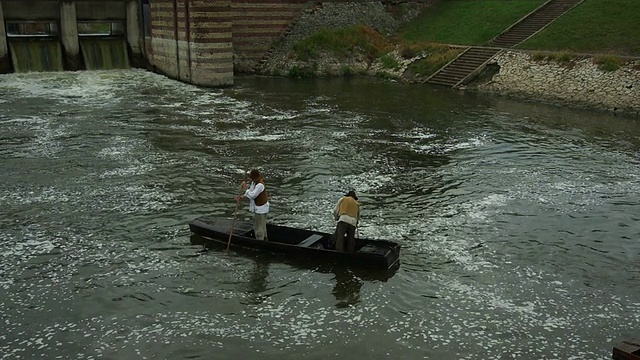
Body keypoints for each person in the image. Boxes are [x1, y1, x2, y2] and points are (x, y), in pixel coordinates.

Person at [240, 169, 270, 241]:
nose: (252, 179)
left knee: (258, 227)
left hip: (261, 209)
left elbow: (253, 195)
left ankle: (260, 241)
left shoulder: (260, 185)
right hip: (260, 208)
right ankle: (265, 239)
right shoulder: (254, 183)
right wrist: (242, 196)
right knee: (262, 226)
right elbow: (251, 191)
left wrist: (245, 188)